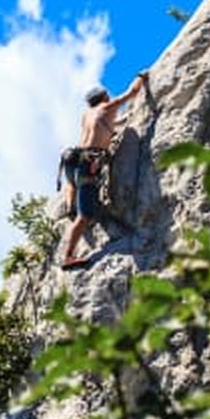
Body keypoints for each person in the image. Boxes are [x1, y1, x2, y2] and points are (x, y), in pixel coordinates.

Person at [60, 71, 149, 270]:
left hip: (72, 157)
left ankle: (70, 206)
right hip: (89, 162)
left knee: (72, 182)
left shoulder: (86, 115)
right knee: (86, 216)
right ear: (104, 97)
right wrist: (141, 76)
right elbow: (132, 93)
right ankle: (68, 256)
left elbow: (104, 126)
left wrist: (118, 125)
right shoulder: (107, 106)